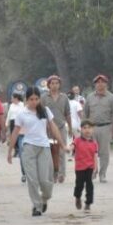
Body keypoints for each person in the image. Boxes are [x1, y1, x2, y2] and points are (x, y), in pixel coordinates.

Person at [7, 87, 66, 216]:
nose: (34, 102)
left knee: (45, 180)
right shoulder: (21, 114)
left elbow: (54, 128)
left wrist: (63, 145)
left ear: (39, 99)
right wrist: (10, 150)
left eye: (36, 99)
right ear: (26, 100)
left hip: (44, 147)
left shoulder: (45, 111)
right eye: (31, 99)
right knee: (32, 179)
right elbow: (15, 132)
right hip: (28, 147)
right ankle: (37, 206)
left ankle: (44, 199)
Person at [83, 74, 113, 183]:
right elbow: (85, 114)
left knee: (104, 153)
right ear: (95, 84)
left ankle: (102, 174)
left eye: (102, 82)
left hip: (106, 127)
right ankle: (93, 171)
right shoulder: (89, 97)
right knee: (90, 152)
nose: (100, 84)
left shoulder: (111, 98)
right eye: (98, 82)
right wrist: (84, 128)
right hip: (91, 128)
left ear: (106, 84)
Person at [41, 75, 72, 183]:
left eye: (56, 83)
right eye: (52, 83)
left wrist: (70, 127)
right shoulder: (44, 97)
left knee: (61, 151)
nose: (54, 85)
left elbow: (67, 113)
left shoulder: (64, 97)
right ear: (49, 85)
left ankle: (61, 174)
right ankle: (53, 173)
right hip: (48, 129)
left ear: (59, 85)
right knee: (50, 151)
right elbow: (41, 114)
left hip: (61, 127)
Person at [73, 120, 99, 212]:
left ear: (93, 130)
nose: (87, 130)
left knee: (89, 185)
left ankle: (88, 203)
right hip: (79, 167)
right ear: (81, 130)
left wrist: (96, 168)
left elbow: (95, 156)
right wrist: (69, 148)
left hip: (90, 167)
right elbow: (72, 145)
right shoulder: (77, 140)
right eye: (84, 128)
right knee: (79, 185)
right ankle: (77, 197)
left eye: (89, 128)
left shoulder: (94, 143)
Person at [6, 92, 27, 183]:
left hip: (23, 127)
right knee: (15, 140)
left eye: (13, 98)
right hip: (13, 123)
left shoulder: (23, 105)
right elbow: (9, 115)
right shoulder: (11, 106)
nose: (11, 99)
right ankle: (16, 149)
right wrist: (7, 124)